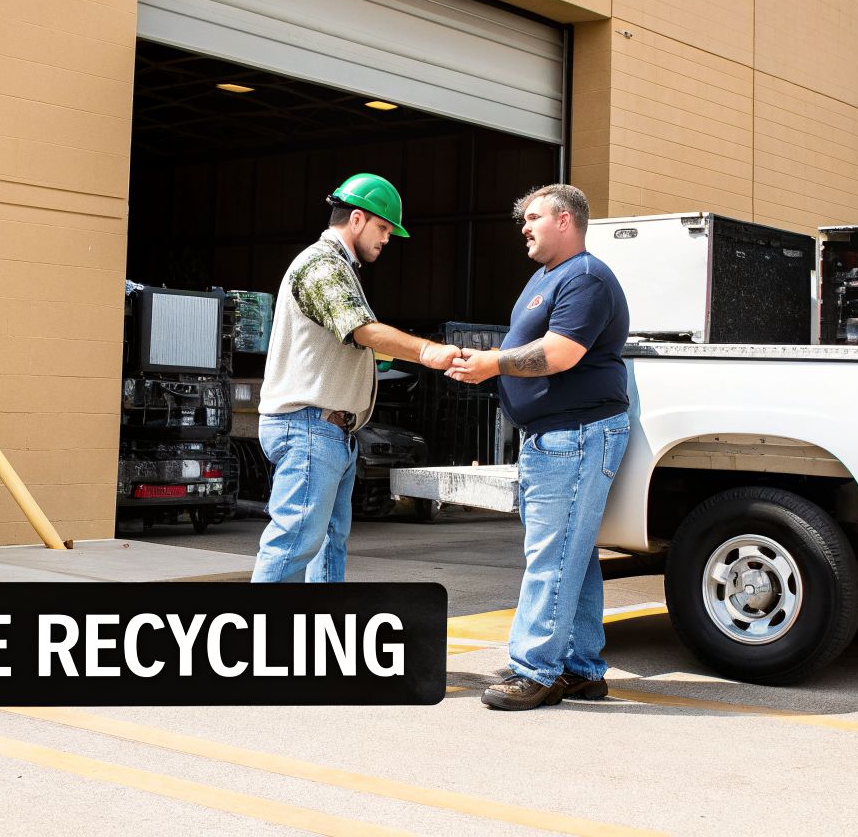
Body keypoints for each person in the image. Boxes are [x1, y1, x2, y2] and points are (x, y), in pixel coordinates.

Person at [447, 183, 630, 710]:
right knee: (574, 554)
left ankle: (536, 671)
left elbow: (561, 352)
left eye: (533, 218)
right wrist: (489, 365)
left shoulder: (587, 277)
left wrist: (493, 364)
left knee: (551, 556)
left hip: (575, 436)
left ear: (566, 219)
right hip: (554, 438)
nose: (524, 228)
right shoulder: (547, 277)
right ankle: (580, 667)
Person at [253, 173, 462, 583]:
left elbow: (349, 342)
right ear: (356, 219)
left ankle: (317, 641)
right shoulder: (322, 264)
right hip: (309, 427)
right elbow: (360, 329)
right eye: (383, 228)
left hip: (330, 432)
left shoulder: (341, 268)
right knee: (293, 545)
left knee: (328, 547)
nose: (386, 238)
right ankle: (261, 643)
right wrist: (426, 350)